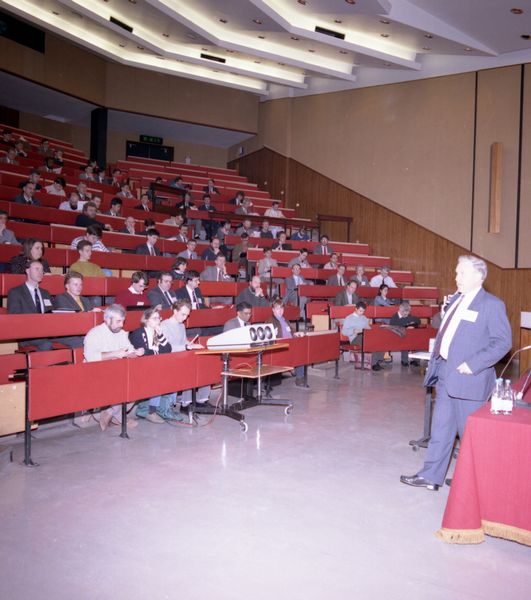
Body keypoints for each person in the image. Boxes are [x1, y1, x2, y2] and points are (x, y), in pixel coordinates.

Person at [400, 255, 512, 490]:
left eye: (461, 273)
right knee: (440, 430)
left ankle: (476, 485)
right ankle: (431, 476)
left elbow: (502, 342)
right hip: (446, 375)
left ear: (478, 277)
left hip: (470, 380)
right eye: (457, 272)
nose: (456, 277)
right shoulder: (456, 301)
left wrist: (473, 364)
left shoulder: (492, 305)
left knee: (472, 438)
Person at [83, 304, 145, 430]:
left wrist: (136, 352)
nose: (122, 325)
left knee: (141, 383)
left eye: (123, 321)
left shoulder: (121, 333)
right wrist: (115, 353)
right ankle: (119, 417)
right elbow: (91, 357)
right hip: (96, 372)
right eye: (118, 321)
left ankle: (110, 412)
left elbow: (129, 350)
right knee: (122, 383)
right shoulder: (94, 333)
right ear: (107, 319)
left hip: (117, 370)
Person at [129, 308, 181, 423]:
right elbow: (145, 353)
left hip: (156, 365)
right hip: (140, 366)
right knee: (157, 375)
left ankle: (167, 408)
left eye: (159, 318)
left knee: (175, 373)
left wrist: (161, 334)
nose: (158, 321)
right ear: (146, 320)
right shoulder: (138, 333)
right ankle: (151, 411)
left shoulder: (158, 333)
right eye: (155, 318)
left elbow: (168, 349)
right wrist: (157, 352)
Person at [161, 299, 212, 411]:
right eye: (183, 314)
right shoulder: (164, 326)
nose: (185, 318)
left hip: (181, 357)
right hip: (170, 359)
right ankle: (186, 403)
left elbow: (183, 341)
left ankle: (202, 399)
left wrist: (190, 344)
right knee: (189, 369)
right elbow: (166, 348)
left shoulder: (181, 326)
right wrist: (187, 347)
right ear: (175, 311)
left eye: (187, 315)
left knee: (206, 366)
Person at [7, 260, 53, 351]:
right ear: (27, 271)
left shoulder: (45, 293)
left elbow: (50, 314)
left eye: (42, 270)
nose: (40, 272)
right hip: (26, 334)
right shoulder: (16, 292)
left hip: (45, 332)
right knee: (47, 343)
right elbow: (14, 318)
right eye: (37, 269)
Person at [268, 298, 307, 387]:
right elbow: (269, 336)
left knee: (302, 353)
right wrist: (274, 334)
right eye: (278, 309)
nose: (280, 311)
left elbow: (291, 332)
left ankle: (299, 378)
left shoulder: (285, 320)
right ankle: (293, 370)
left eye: (282, 309)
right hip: (280, 347)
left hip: (290, 345)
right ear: (273, 310)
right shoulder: (270, 321)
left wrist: (296, 333)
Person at [52, 272, 98, 348]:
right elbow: (70, 318)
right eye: (75, 284)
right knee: (86, 342)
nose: (79, 287)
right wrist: (89, 313)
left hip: (83, 332)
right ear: (67, 286)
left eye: (81, 284)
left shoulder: (85, 300)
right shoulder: (61, 298)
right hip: (66, 334)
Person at [341, 301, 385, 371]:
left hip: (364, 335)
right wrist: (353, 331)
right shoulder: (349, 318)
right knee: (368, 341)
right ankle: (374, 364)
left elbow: (368, 328)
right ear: (356, 309)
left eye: (363, 311)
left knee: (378, 339)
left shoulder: (364, 318)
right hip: (355, 338)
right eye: (360, 311)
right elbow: (343, 331)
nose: (361, 313)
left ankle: (377, 360)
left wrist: (370, 331)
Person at [389, 301, 421, 367]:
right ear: (401, 311)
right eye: (405, 313)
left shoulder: (408, 316)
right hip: (397, 336)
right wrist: (405, 327)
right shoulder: (394, 317)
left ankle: (415, 360)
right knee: (405, 341)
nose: (406, 315)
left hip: (408, 336)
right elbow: (393, 327)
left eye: (408, 313)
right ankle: (404, 360)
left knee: (417, 339)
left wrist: (412, 326)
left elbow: (417, 320)